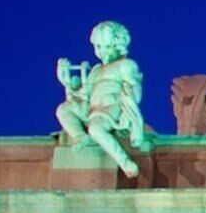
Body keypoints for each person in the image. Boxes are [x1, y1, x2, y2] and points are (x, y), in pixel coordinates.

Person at [54, 20, 150, 177]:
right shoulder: (96, 70)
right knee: (63, 109)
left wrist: (131, 106)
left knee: (96, 128)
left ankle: (125, 162)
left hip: (111, 106)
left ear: (118, 45)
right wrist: (66, 81)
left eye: (107, 47)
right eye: (98, 47)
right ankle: (80, 136)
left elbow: (135, 87)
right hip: (91, 107)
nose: (101, 51)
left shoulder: (125, 65)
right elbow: (83, 93)